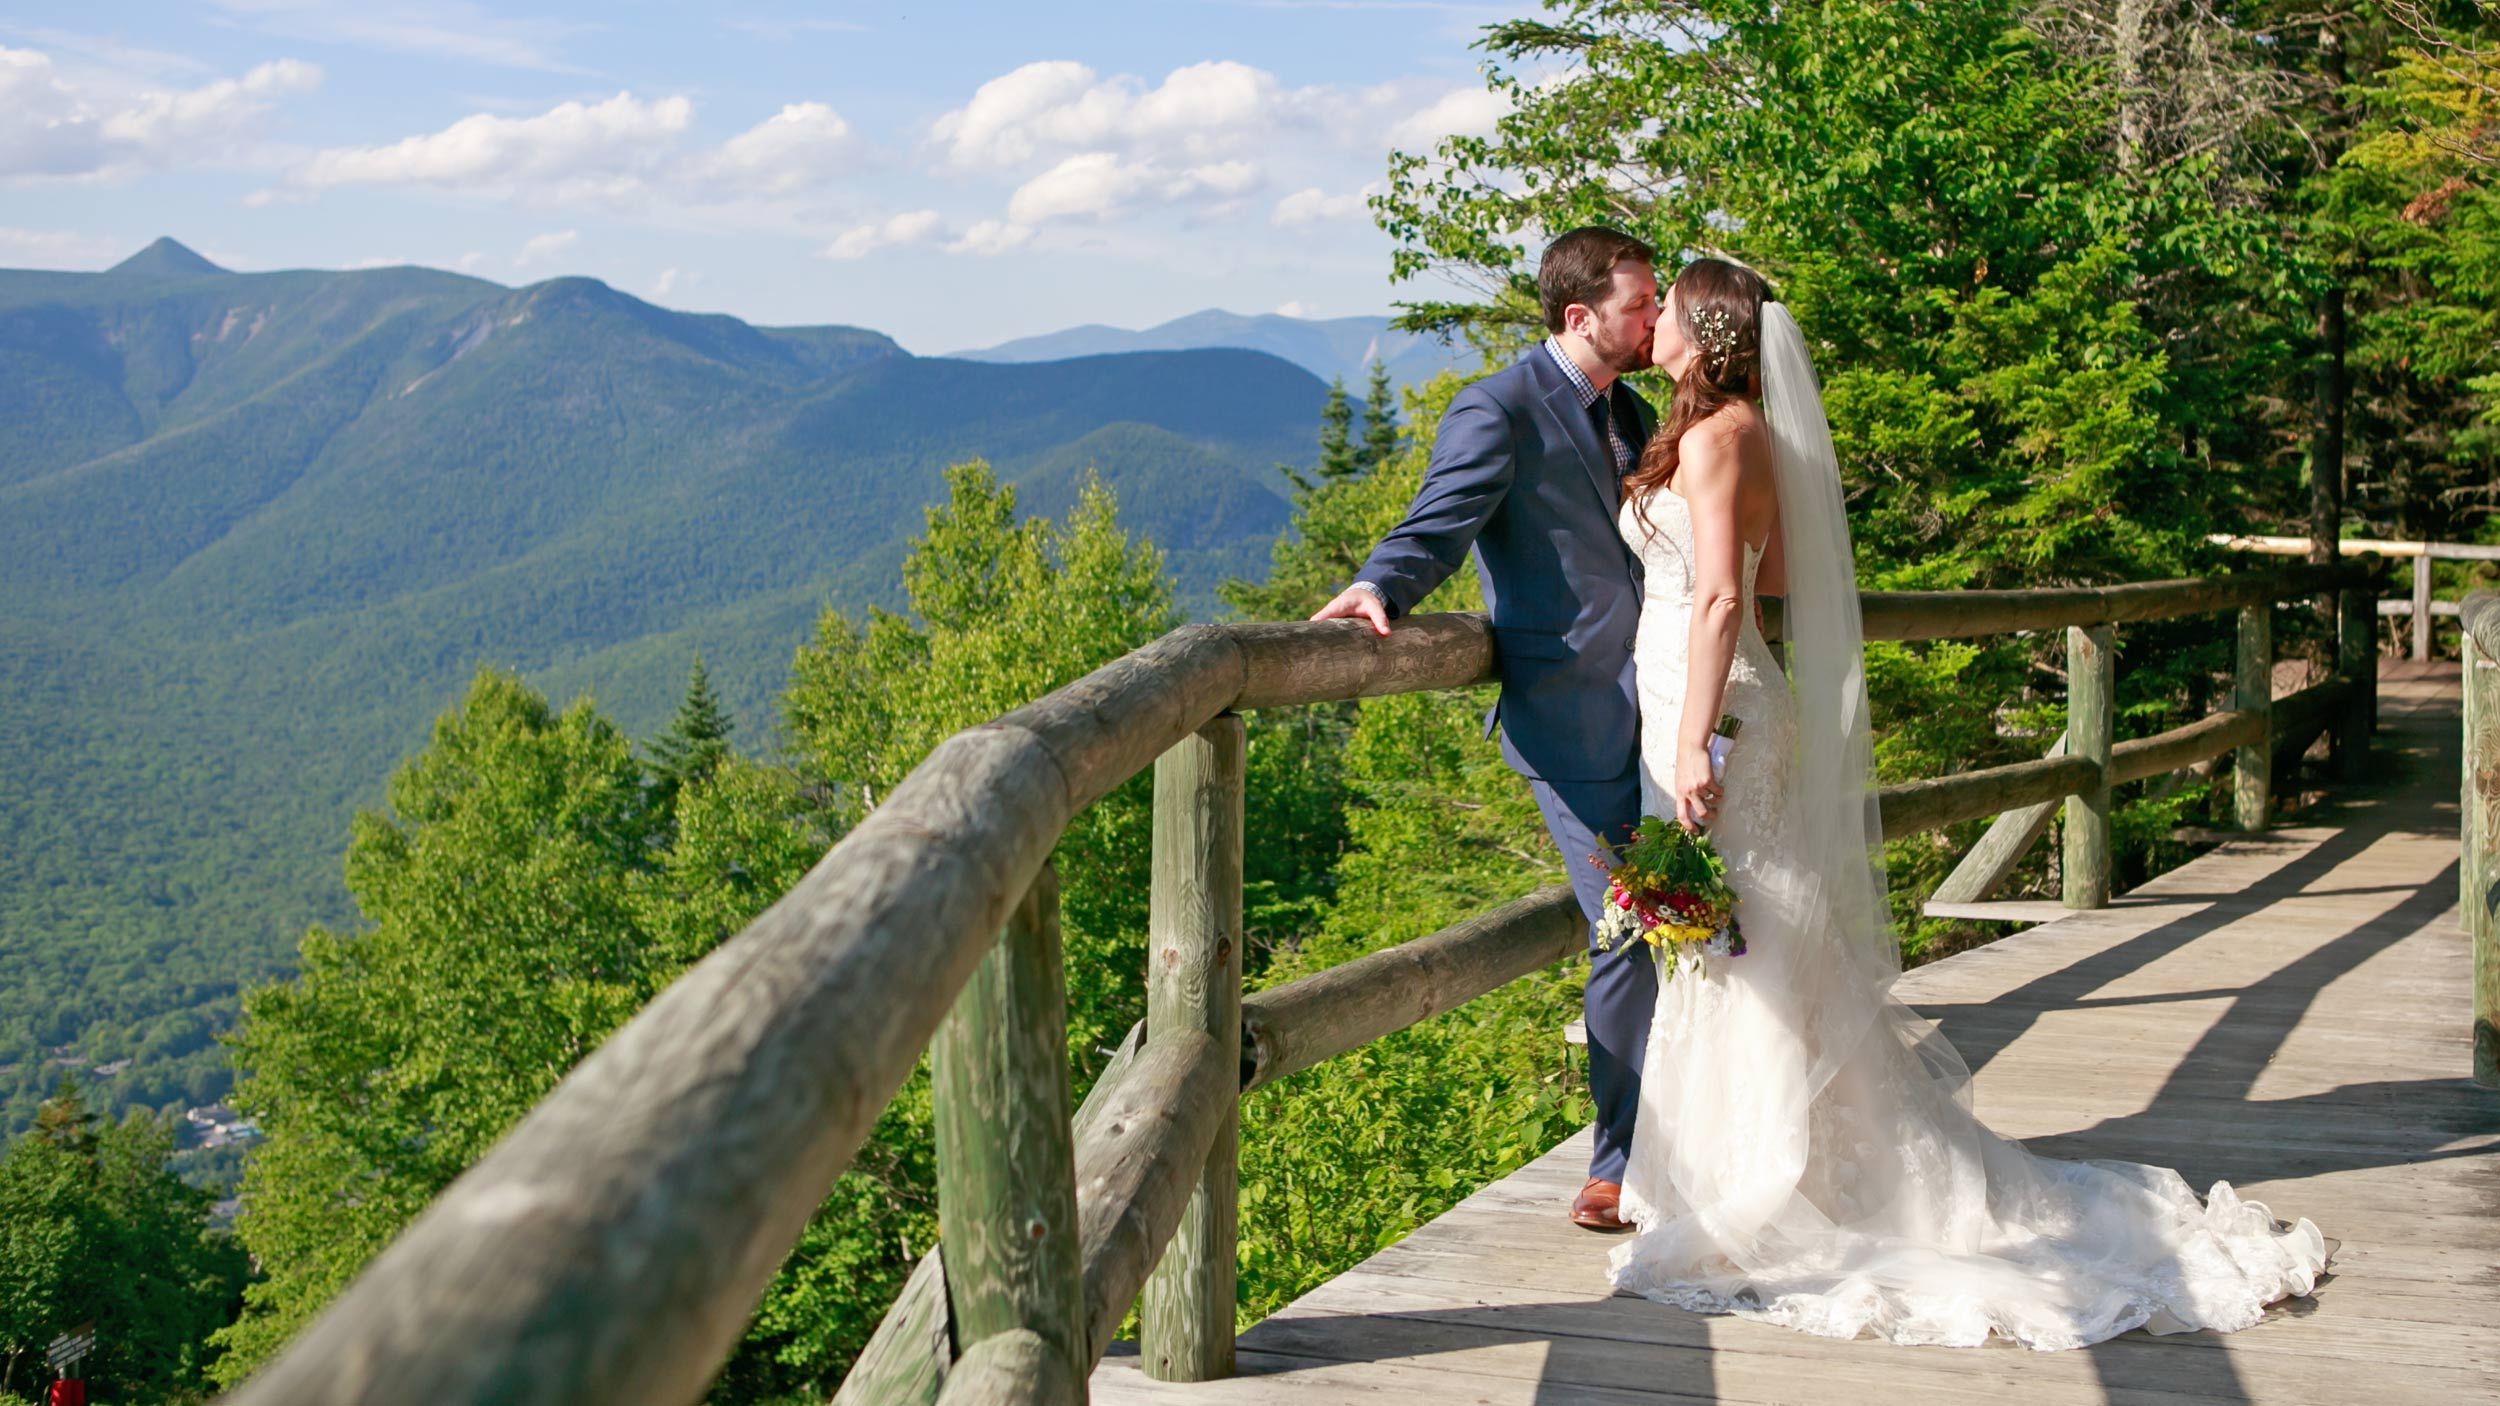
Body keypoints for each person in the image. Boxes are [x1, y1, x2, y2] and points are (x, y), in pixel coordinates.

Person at [1603, 256, 2332, 1347]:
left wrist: (1695, 731)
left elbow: (1719, 596)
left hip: (1716, 714)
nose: (1650, 319)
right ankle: (1755, 1159)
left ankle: (1760, 1178)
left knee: (1743, 942)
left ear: (1704, 333)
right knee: (1741, 938)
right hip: (1719, 699)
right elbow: (1775, 575)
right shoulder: (1733, 433)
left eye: (1666, 308)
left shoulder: (1717, 438)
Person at [1311, 225, 1661, 1230]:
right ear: (1578, 314)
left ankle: (1681, 1141)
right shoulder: (1498, 406)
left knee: (1694, 918)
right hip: (1571, 718)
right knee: (1629, 925)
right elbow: (1441, 517)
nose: (1651, 318)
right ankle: (1616, 1167)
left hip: (1659, 707)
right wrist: (1383, 582)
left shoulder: (1627, 410)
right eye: (1638, 303)